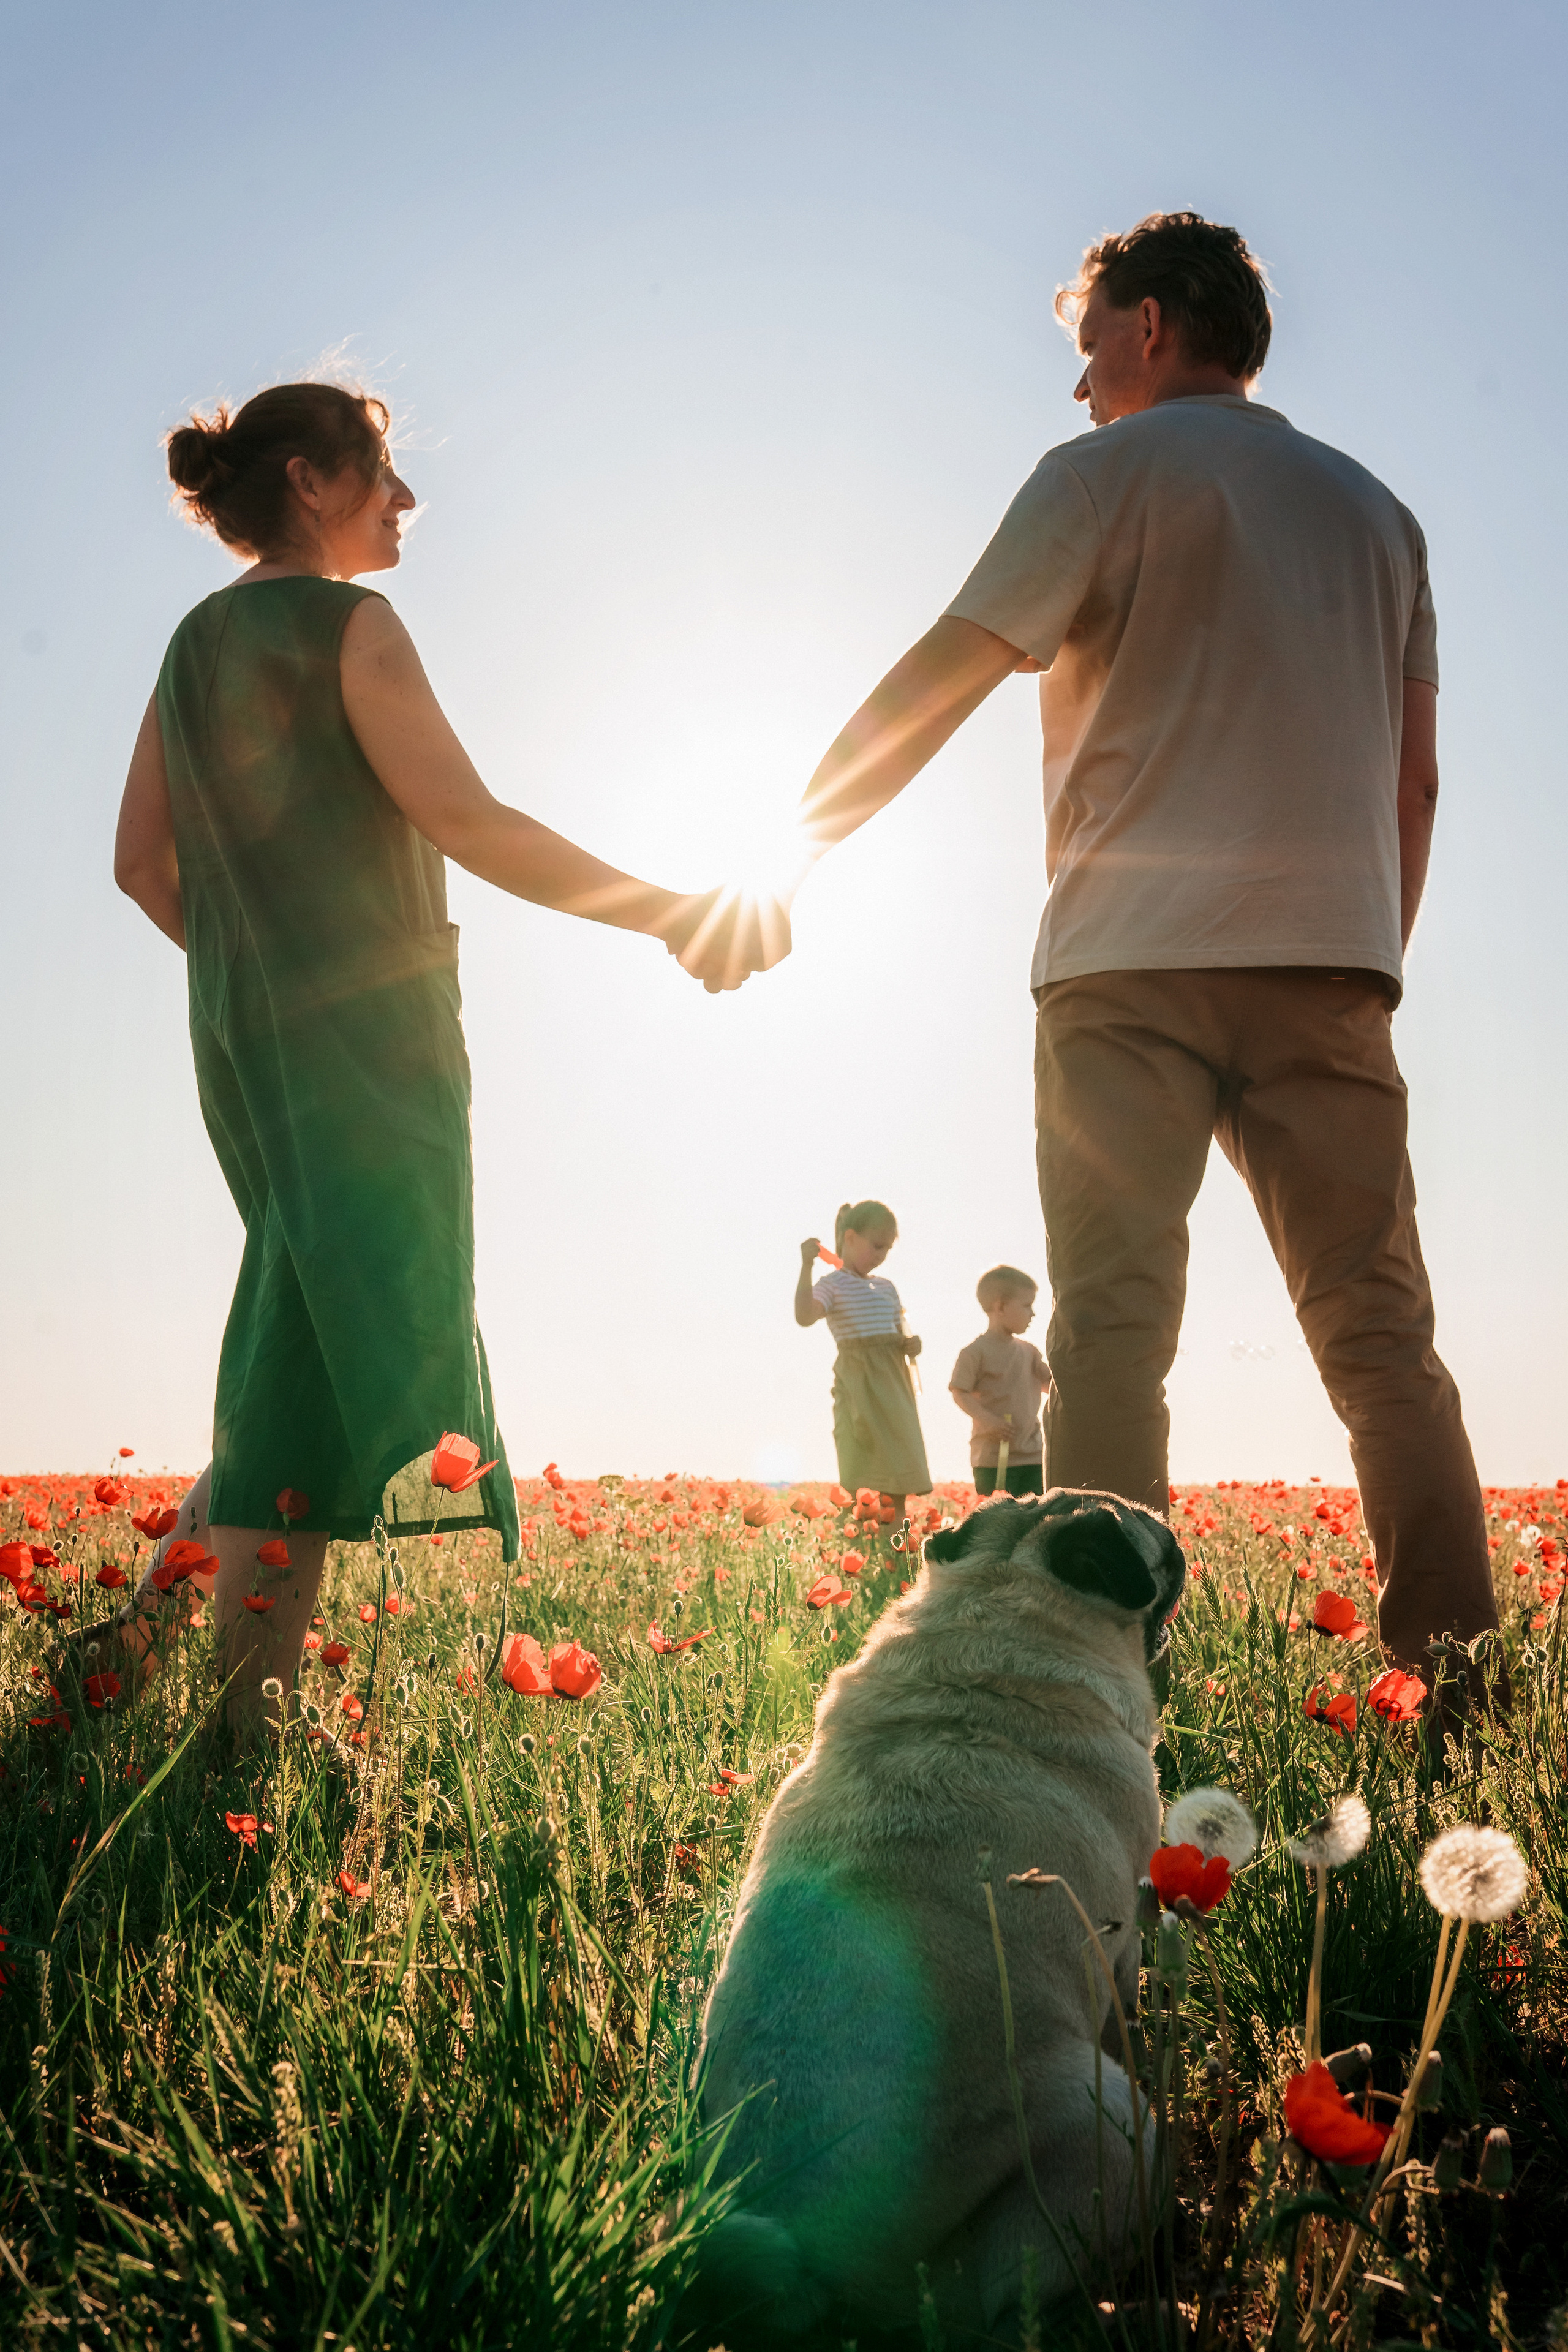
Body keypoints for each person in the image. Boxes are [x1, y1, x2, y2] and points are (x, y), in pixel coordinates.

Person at [783, 211, 1498, 1687]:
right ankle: (1457, 1674)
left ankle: (1107, 1676)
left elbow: (952, 664)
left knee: (1110, 1333)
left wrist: (787, 843)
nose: (1076, 382)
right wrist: (1360, 956)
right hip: (1331, 969)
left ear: (1152, 325)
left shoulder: (1095, 477)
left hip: (1122, 967)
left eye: (1085, 340)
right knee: (1380, 1340)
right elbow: (1411, 782)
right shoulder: (1380, 517)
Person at [106, 379, 777, 1735]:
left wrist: (261, 976)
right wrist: (675, 909)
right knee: (325, 1341)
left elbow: (138, 866)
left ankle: (131, 1653)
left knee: (301, 1306)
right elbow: (469, 820)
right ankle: (243, 1723)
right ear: (309, 481)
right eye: (384, 473)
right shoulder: (354, 623)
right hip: (372, 1042)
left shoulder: (192, 646)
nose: (404, 502)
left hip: (248, 1038)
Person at [795, 1202, 930, 1521]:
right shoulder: (832, 1284)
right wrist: (806, 1267)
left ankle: (896, 1531)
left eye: (888, 1249)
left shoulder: (887, 1288)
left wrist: (911, 1345)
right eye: (877, 1246)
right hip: (859, 1382)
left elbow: (900, 1333)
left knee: (897, 1453)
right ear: (851, 1238)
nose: (882, 1255)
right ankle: (861, 1530)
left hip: (894, 1383)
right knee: (861, 1451)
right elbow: (804, 1317)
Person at [950, 1265, 1051, 1496]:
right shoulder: (975, 1353)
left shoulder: (1030, 1352)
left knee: (1035, 1517)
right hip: (994, 1458)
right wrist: (989, 1421)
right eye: (1027, 1305)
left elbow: (1051, 1385)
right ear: (1000, 1307)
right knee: (999, 1521)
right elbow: (959, 1392)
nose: (1033, 1314)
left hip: (1033, 1455)